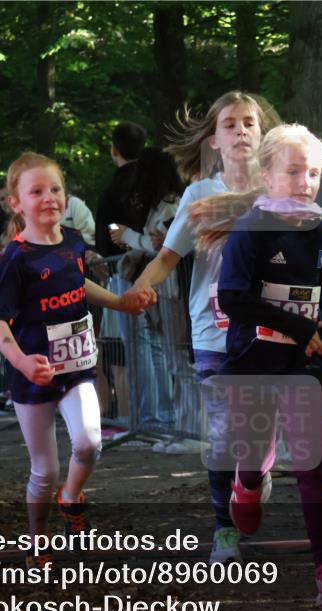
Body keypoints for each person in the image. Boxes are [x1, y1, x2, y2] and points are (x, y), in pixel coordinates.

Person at [126, 91, 280, 565]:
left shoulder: (283, 184)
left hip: (272, 325)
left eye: (248, 122)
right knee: (221, 432)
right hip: (213, 326)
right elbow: (168, 258)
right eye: (229, 124)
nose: (240, 131)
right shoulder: (197, 195)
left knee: (259, 430)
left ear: (263, 132)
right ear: (213, 138)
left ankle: (252, 478)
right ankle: (224, 532)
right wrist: (138, 289)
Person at [205, 123, 322, 606]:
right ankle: (247, 481)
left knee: (313, 460)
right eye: (293, 171)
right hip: (253, 362)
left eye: (313, 172)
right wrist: (294, 327)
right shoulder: (251, 230)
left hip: (301, 365)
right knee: (255, 446)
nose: (305, 182)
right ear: (266, 175)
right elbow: (232, 298)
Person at [0, 151, 148, 569]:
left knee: (90, 442)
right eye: (36, 191)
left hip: (77, 368)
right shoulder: (16, 259)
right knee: (44, 469)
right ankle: (38, 540)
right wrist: (22, 362)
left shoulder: (75, 242)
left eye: (55, 189)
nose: (49, 198)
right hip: (33, 377)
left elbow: (80, 287)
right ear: (16, 203)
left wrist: (120, 303)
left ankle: (72, 497)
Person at [109, 146, 194, 447]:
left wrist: (129, 237)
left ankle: (189, 431)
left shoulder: (171, 206)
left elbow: (164, 247)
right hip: (165, 291)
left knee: (180, 361)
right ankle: (180, 428)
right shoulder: (164, 205)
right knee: (174, 360)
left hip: (173, 292)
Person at [95, 121, 147, 257]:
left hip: (125, 269)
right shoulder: (158, 184)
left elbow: (104, 243)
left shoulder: (109, 195)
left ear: (114, 150)